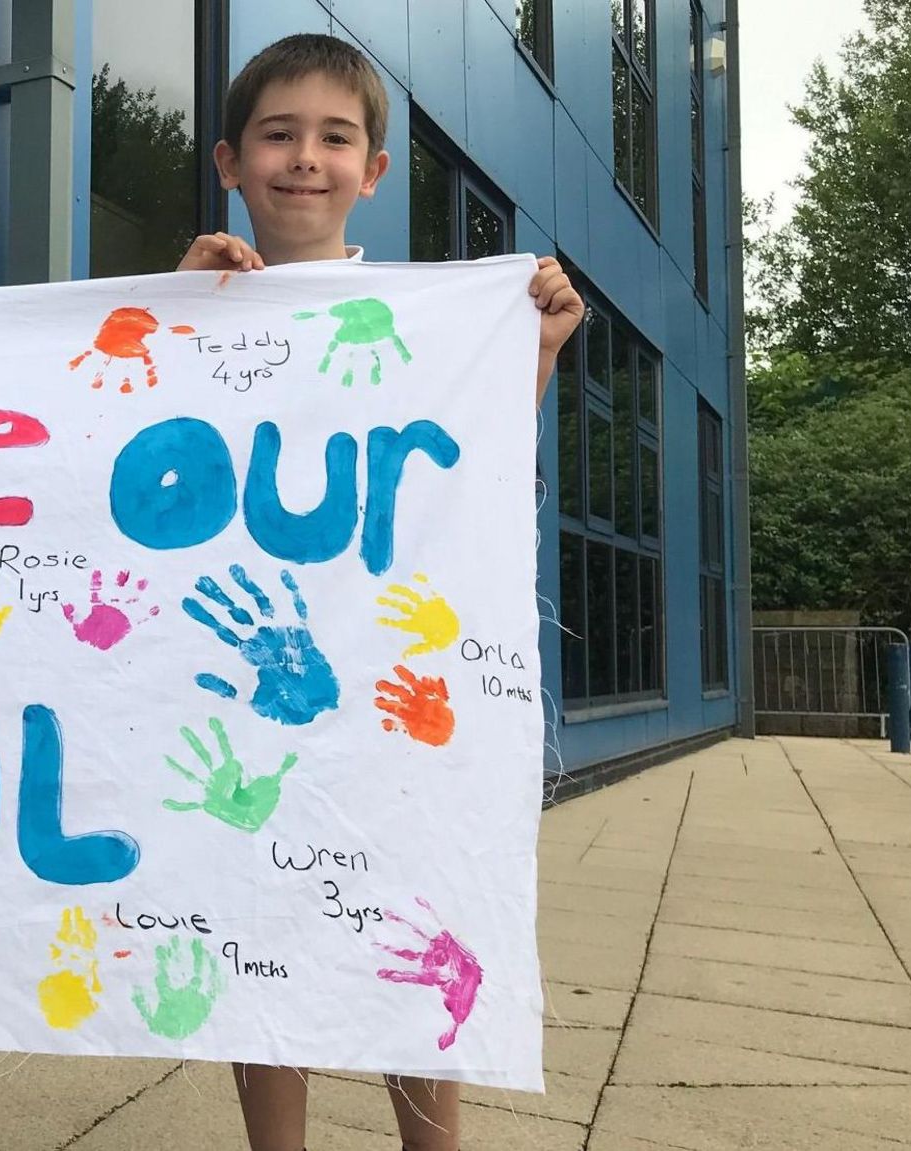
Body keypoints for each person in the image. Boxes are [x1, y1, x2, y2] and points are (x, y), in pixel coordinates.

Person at [173, 33, 582, 1151]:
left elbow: (467, 466)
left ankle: (431, 1141)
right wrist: (166, 308)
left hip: (390, 680)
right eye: (277, 134)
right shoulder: (190, 298)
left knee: (413, 910)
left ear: (375, 170)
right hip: (248, 679)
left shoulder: (422, 319)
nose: (304, 157)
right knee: (258, 917)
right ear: (228, 159)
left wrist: (535, 347)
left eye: (333, 137)